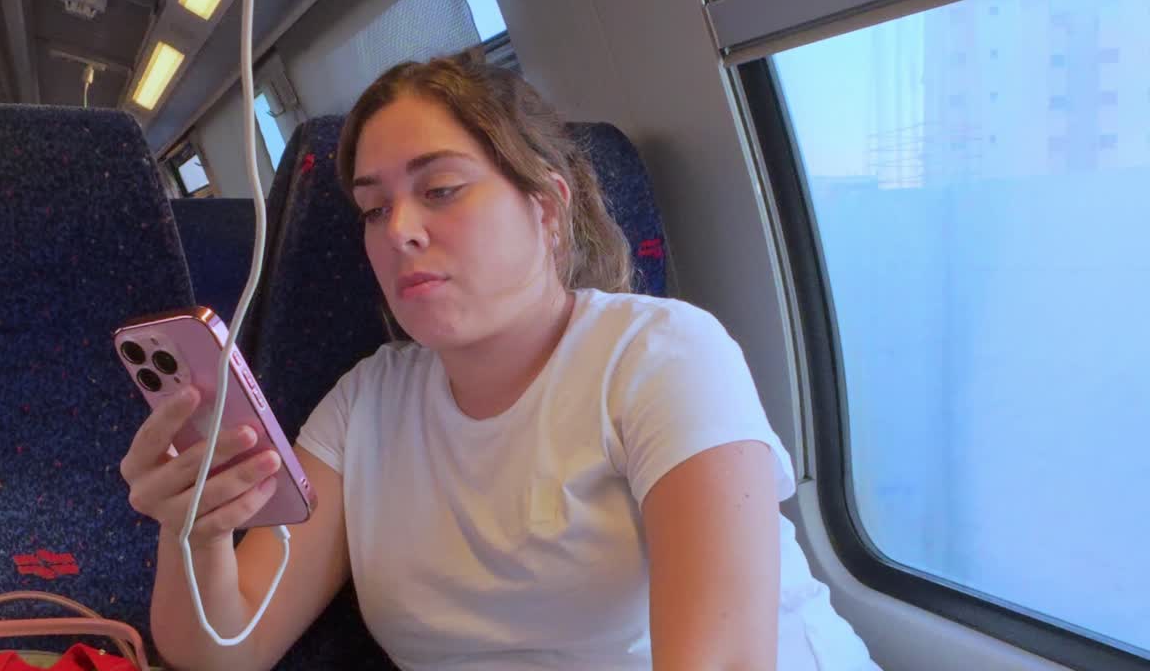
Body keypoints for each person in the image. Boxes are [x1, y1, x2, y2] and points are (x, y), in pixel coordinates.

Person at [120, 53, 880, 671]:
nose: (400, 232)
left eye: (441, 189)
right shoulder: (366, 405)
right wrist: (196, 531)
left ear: (545, 209)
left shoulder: (661, 357)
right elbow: (227, 649)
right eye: (373, 209)